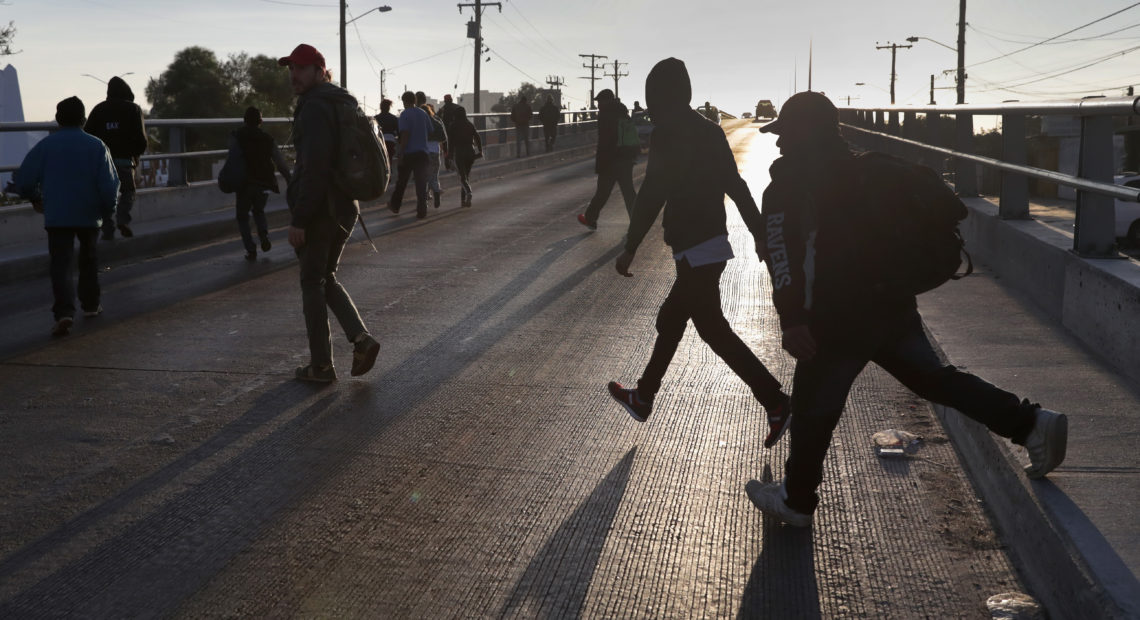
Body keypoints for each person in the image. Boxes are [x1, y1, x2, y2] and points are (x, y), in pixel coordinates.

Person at [746, 90, 1069, 528]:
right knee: (934, 379)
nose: (780, 143)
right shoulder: (872, 169)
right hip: (890, 303)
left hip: (836, 314)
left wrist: (793, 319)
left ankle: (797, 500)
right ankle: (1030, 422)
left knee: (813, 407)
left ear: (803, 133)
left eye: (785, 133)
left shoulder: (787, 186)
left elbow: (783, 259)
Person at [606, 58, 791, 448]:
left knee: (703, 328)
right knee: (679, 322)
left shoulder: (667, 135)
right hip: (709, 244)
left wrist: (630, 246)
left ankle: (775, 402)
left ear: (663, 96)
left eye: (652, 96)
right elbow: (735, 185)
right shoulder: (710, 131)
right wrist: (758, 234)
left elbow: (653, 192)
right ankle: (644, 396)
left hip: (694, 247)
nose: (650, 105)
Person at [278, 43, 381, 383]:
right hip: (343, 206)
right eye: (291, 68)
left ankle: (321, 366)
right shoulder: (340, 101)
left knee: (311, 282)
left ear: (320, 71)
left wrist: (300, 219)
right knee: (326, 277)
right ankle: (361, 340)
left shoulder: (315, 108)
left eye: (302, 68)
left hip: (322, 210)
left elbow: (315, 167)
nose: (294, 74)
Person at [10, 97, 118, 337]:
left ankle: (64, 313)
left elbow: (25, 179)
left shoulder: (46, 146)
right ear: (84, 119)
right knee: (88, 259)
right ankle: (91, 305)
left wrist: (35, 197)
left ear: (58, 119)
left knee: (61, 263)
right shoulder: (97, 145)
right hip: (89, 214)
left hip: (57, 214)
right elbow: (110, 186)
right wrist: (108, 208)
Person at [85, 76, 147, 240]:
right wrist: (136, 154)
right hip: (125, 161)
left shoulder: (98, 109)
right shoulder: (133, 109)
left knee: (104, 196)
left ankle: (107, 228)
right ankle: (122, 219)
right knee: (128, 192)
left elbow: (87, 135)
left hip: (102, 164)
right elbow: (141, 139)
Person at [229, 106, 292, 261]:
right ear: (261, 121)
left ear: (244, 121)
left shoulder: (237, 136)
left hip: (244, 184)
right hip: (263, 183)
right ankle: (264, 237)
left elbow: (232, 159)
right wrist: (290, 180)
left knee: (242, 216)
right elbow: (280, 163)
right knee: (259, 211)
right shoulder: (268, 139)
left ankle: (251, 249)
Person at [576, 89, 637, 230]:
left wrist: (601, 163)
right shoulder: (623, 112)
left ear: (606, 100)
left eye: (599, 101)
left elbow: (605, 141)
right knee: (628, 192)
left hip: (610, 160)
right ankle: (636, 222)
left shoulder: (605, 115)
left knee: (602, 193)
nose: (598, 104)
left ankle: (590, 219)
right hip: (626, 158)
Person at [387, 90, 432, 219]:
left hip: (409, 153)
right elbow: (430, 131)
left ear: (404, 101)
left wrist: (401, 153)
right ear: (415, 101)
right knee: (421, 183)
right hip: (423, 153)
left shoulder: (404, 114)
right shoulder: (423, 113)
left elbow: (405, 135)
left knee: (402, 181)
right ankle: (422, 210)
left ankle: (395, 205)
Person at [448, 106, 482, 207]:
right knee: (466, 176)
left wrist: (449, 156)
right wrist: (480, 150)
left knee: (462, 176)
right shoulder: (469, 124)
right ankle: (464, 201)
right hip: (470, 152)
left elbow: (450, 143)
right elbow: (477, 137)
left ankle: (468, 192)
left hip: (459, 152)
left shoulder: (453, 125)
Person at [422, 102, 448, 209]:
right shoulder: (437, 122)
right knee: (434, 175)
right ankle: (436, 192)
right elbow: (444, 138)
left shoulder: (421, 123)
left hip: (423, 152)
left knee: (424, 176)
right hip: (435, 152)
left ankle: (426, 199)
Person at [374, 98, 399, 173]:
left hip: (379, 140)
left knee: (380, 158)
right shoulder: (394, 118)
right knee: (389, 157)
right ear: (389, 107)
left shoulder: (376, 118)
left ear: (381, 107)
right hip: (390, 140)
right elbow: (398, 131)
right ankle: (389, 171)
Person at [438, 94, 460, 170]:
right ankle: (454, 163)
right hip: (456, 132)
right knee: (455, 148)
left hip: (445, 132)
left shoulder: (442, 109)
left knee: (446, 149)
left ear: (445, 101)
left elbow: (437, 118)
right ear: (451, 99)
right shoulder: (457, 107)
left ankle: (448, 165)